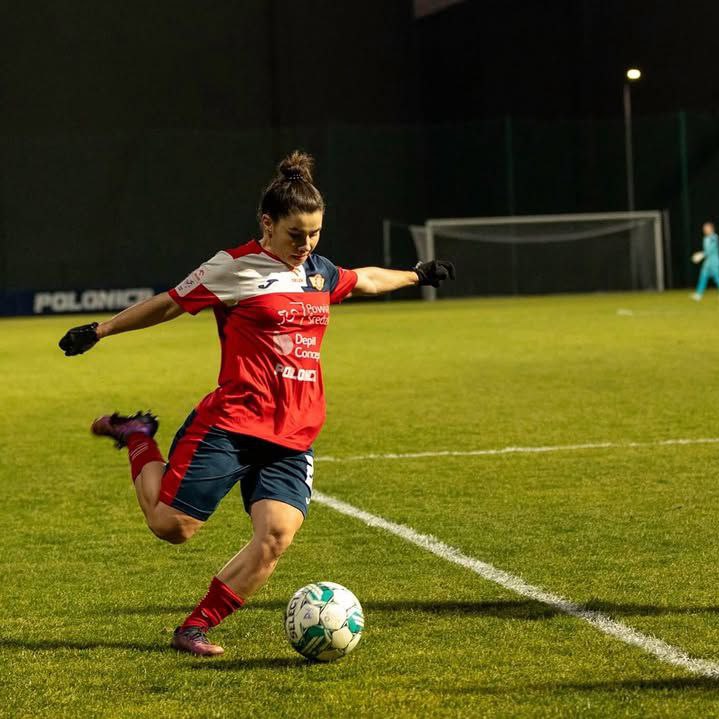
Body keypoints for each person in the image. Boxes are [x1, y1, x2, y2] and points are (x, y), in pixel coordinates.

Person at [58, 151, 455, 655]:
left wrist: (417, 275)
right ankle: (138, 436)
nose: (306, 245)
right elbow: (168, 304)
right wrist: (102, 329)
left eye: (315, 234)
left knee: (275, 536)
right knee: (171, 527)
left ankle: (194, 627)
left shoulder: (318, 272)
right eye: (296, 234)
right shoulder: (232, 267)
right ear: (267, 224)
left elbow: (365, 279)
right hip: (232, 424)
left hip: (294, 434)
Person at [691, 221, 719, 301]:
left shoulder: (714, 237)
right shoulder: (705, 238)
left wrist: (701, 255)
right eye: (704, 229)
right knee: (703, 277)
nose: (705, 230)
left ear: (712, 229)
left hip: (714, 261)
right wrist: (702, 255)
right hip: (708, 262)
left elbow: (711, 249)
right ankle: (698, 294)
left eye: (707, 228)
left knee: (717, 277)